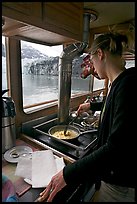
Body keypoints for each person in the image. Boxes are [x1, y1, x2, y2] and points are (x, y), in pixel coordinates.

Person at [38, 32, 136, 202]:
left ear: (100, 54)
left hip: (120, 184)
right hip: (116, 177)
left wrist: (67, 174)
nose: (93, 66)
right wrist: (92, 105)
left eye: (92, 60)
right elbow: (111, 102)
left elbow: (116, 148)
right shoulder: (121, 83)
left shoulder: (128, 85)